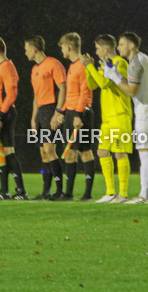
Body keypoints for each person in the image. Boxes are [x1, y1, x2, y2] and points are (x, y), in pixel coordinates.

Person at [111, 32, 148, 203]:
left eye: (121, 44)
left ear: (131, 46)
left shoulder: (135, 62)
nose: (118, 47)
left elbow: (131, 91)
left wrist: (114, 77)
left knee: (144, 150)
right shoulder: (142, 58)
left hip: (147, 111)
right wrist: (119, 76)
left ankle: (144, 195)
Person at [83, 34, 133, 203]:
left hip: (120, 115)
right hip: (108, 118)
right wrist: (88, 69)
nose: (96, 52)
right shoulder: (105, 64)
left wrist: (90, 67)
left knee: (120, 153)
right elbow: (93, 85)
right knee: (102, 152)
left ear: (105, 48)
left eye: (97, 48)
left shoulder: (120, 63)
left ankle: (123, 193)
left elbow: (105, 83)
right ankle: (110, 192)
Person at [25, 36, 68, 199]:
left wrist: (58, 112)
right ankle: (46, 191)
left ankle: (59, 190)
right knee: (43, 153)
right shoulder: (34, 69)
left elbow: (63, 89)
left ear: (34, 49)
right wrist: (33, 118)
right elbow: (36, 96)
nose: (25, 52)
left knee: (50, 150)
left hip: (51, 110)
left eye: (26, 49)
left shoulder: (53, 64)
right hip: (41, 112)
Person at [0, 36, 28, 200]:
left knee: (8, 151)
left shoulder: (6, 67)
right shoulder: (1, 67)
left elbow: (11, 94)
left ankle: (21, 191)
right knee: (2, 152)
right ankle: (4, 191)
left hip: (4, 112)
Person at [56, 33, 96, 201]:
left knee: (84, 152)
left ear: (69, 47)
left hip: (81, 113)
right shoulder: (73, 65)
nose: (62, 51)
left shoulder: (82, 65)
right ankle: (69, 193)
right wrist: (62, 111)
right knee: (71, 153)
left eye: (62, 48)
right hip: (72, 112)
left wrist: (78, 115)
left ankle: (86, 194)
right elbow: (71, 94)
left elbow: (84, 92)